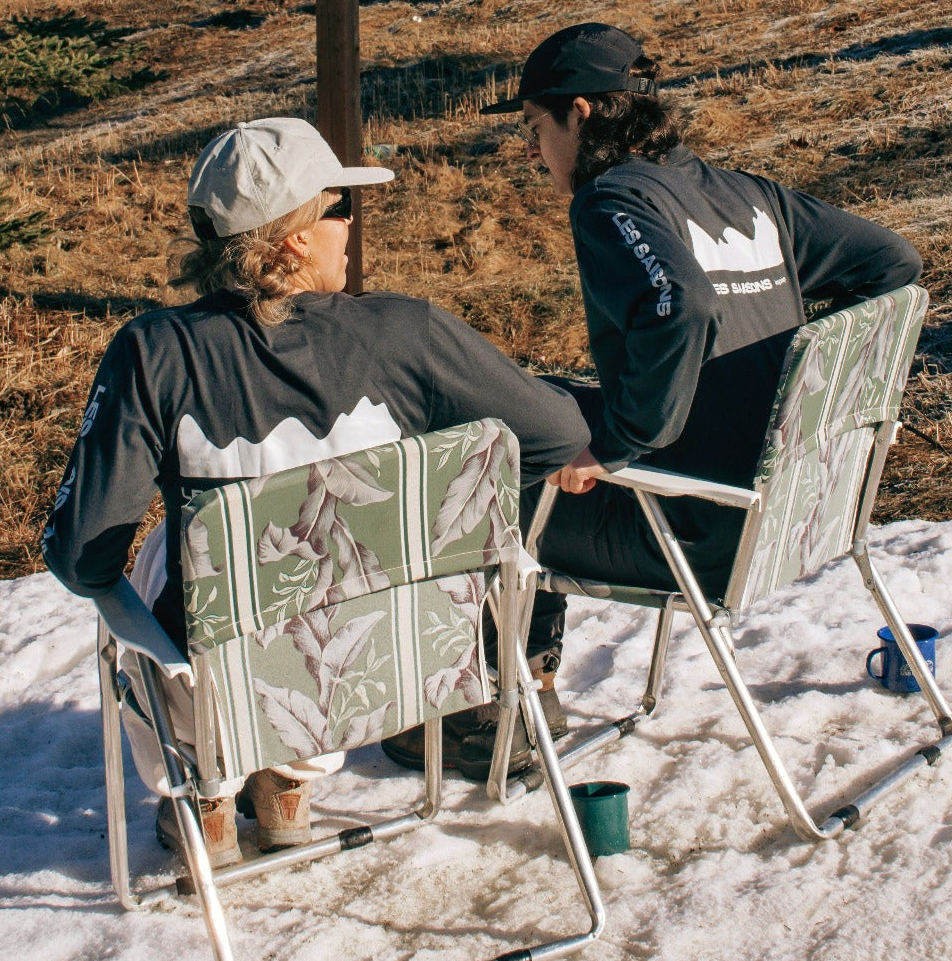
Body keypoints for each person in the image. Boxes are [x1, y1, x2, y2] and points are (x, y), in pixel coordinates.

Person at [42, 116, 590, 866]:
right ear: (294, 235)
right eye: (339, 207)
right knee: (328, 561)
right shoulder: (407, 334)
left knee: (166, 557)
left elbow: (81, 555)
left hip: (221, 697)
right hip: (389, 672)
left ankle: (209, 795)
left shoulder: (156, 353)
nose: (349, 225)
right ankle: (290, 785)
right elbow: (557, 432)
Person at [454, 21, 923, 778]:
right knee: (529, 405)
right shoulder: (744, 195)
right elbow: (893, 263)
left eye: (534, 129)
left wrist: (616, 444)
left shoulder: (611, 201)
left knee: (475, 471)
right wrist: (796, 365)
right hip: (791, 506)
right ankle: (519, 682)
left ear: (580, 112)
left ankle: (501, 708)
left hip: (691, 525)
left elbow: (681, 306)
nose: (531, 152)